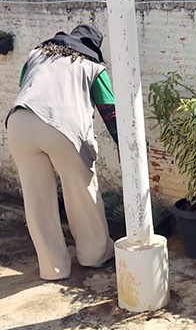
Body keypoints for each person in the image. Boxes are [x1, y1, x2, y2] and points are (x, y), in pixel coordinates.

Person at [5, 24, 119, 281]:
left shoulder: (37, 54)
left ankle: (52, 268)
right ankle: (95, 254)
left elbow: (27, 87)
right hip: (62, 129)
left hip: (19, 123)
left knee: (37, 200)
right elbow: (110, 111)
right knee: (81, 190)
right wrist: (123, 145)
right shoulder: (92, 66)